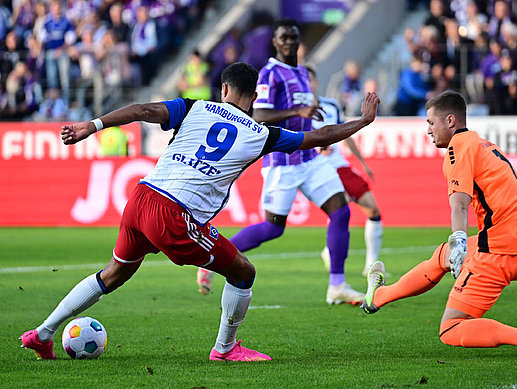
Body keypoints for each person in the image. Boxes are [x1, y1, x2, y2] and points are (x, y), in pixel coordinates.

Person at [19, 62, 380, 362]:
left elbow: (143, 110)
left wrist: (91, 125)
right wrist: (362, 121)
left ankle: (43, 333)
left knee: (113, 274)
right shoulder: (260, 133)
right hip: (173, 215)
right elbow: (321, 136)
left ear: (223, 90)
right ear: (253, 98)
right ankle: (225, 349)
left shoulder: (193, 107)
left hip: (141, 198)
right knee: (243, 272)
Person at [361, 90, 517, 360]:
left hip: (502, 252)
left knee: (449, 329)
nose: (427, 130)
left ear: (450, 120)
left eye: (430, 122)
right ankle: (377, 297)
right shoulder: (483, 145)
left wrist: (460, 239)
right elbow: (514, 192)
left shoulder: (458, 149)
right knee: (443, 255)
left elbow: (459, 204)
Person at [197, 18, 365, 305]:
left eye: (293, 36)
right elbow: (259, 116)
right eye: (283, 37)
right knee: (273, 228)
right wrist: (299, 110)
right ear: (275, 42)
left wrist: (315, 132)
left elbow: (303, 114)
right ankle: (212, 257)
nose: (289, 41)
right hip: (281, 162)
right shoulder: (270, 74)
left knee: (341, 212)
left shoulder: (301, 73)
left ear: (299, 41)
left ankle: (337, 284)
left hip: (310, 159)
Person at [305, 66, 383, 276]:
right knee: (341, 208)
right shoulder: (296, 110)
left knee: (373, 209)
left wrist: (363, 163)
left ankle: (371, 265)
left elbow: (345, 134)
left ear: (315, 82)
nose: (308, 84)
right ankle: (330, 253)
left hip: (341, 165)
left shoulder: (331, 105)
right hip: (319, 168)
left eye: (310, 79)